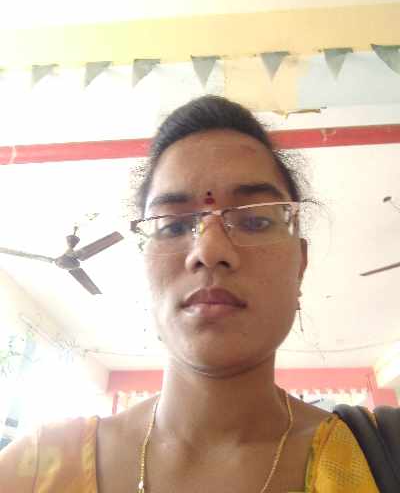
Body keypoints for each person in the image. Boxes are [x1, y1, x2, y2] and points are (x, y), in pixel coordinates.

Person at [0, 95, 378, 492]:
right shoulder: (36, 470)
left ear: (300, 264)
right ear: (144, 263)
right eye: (174, 226)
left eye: (254, 221)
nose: (210, 251)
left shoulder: (377, 457)